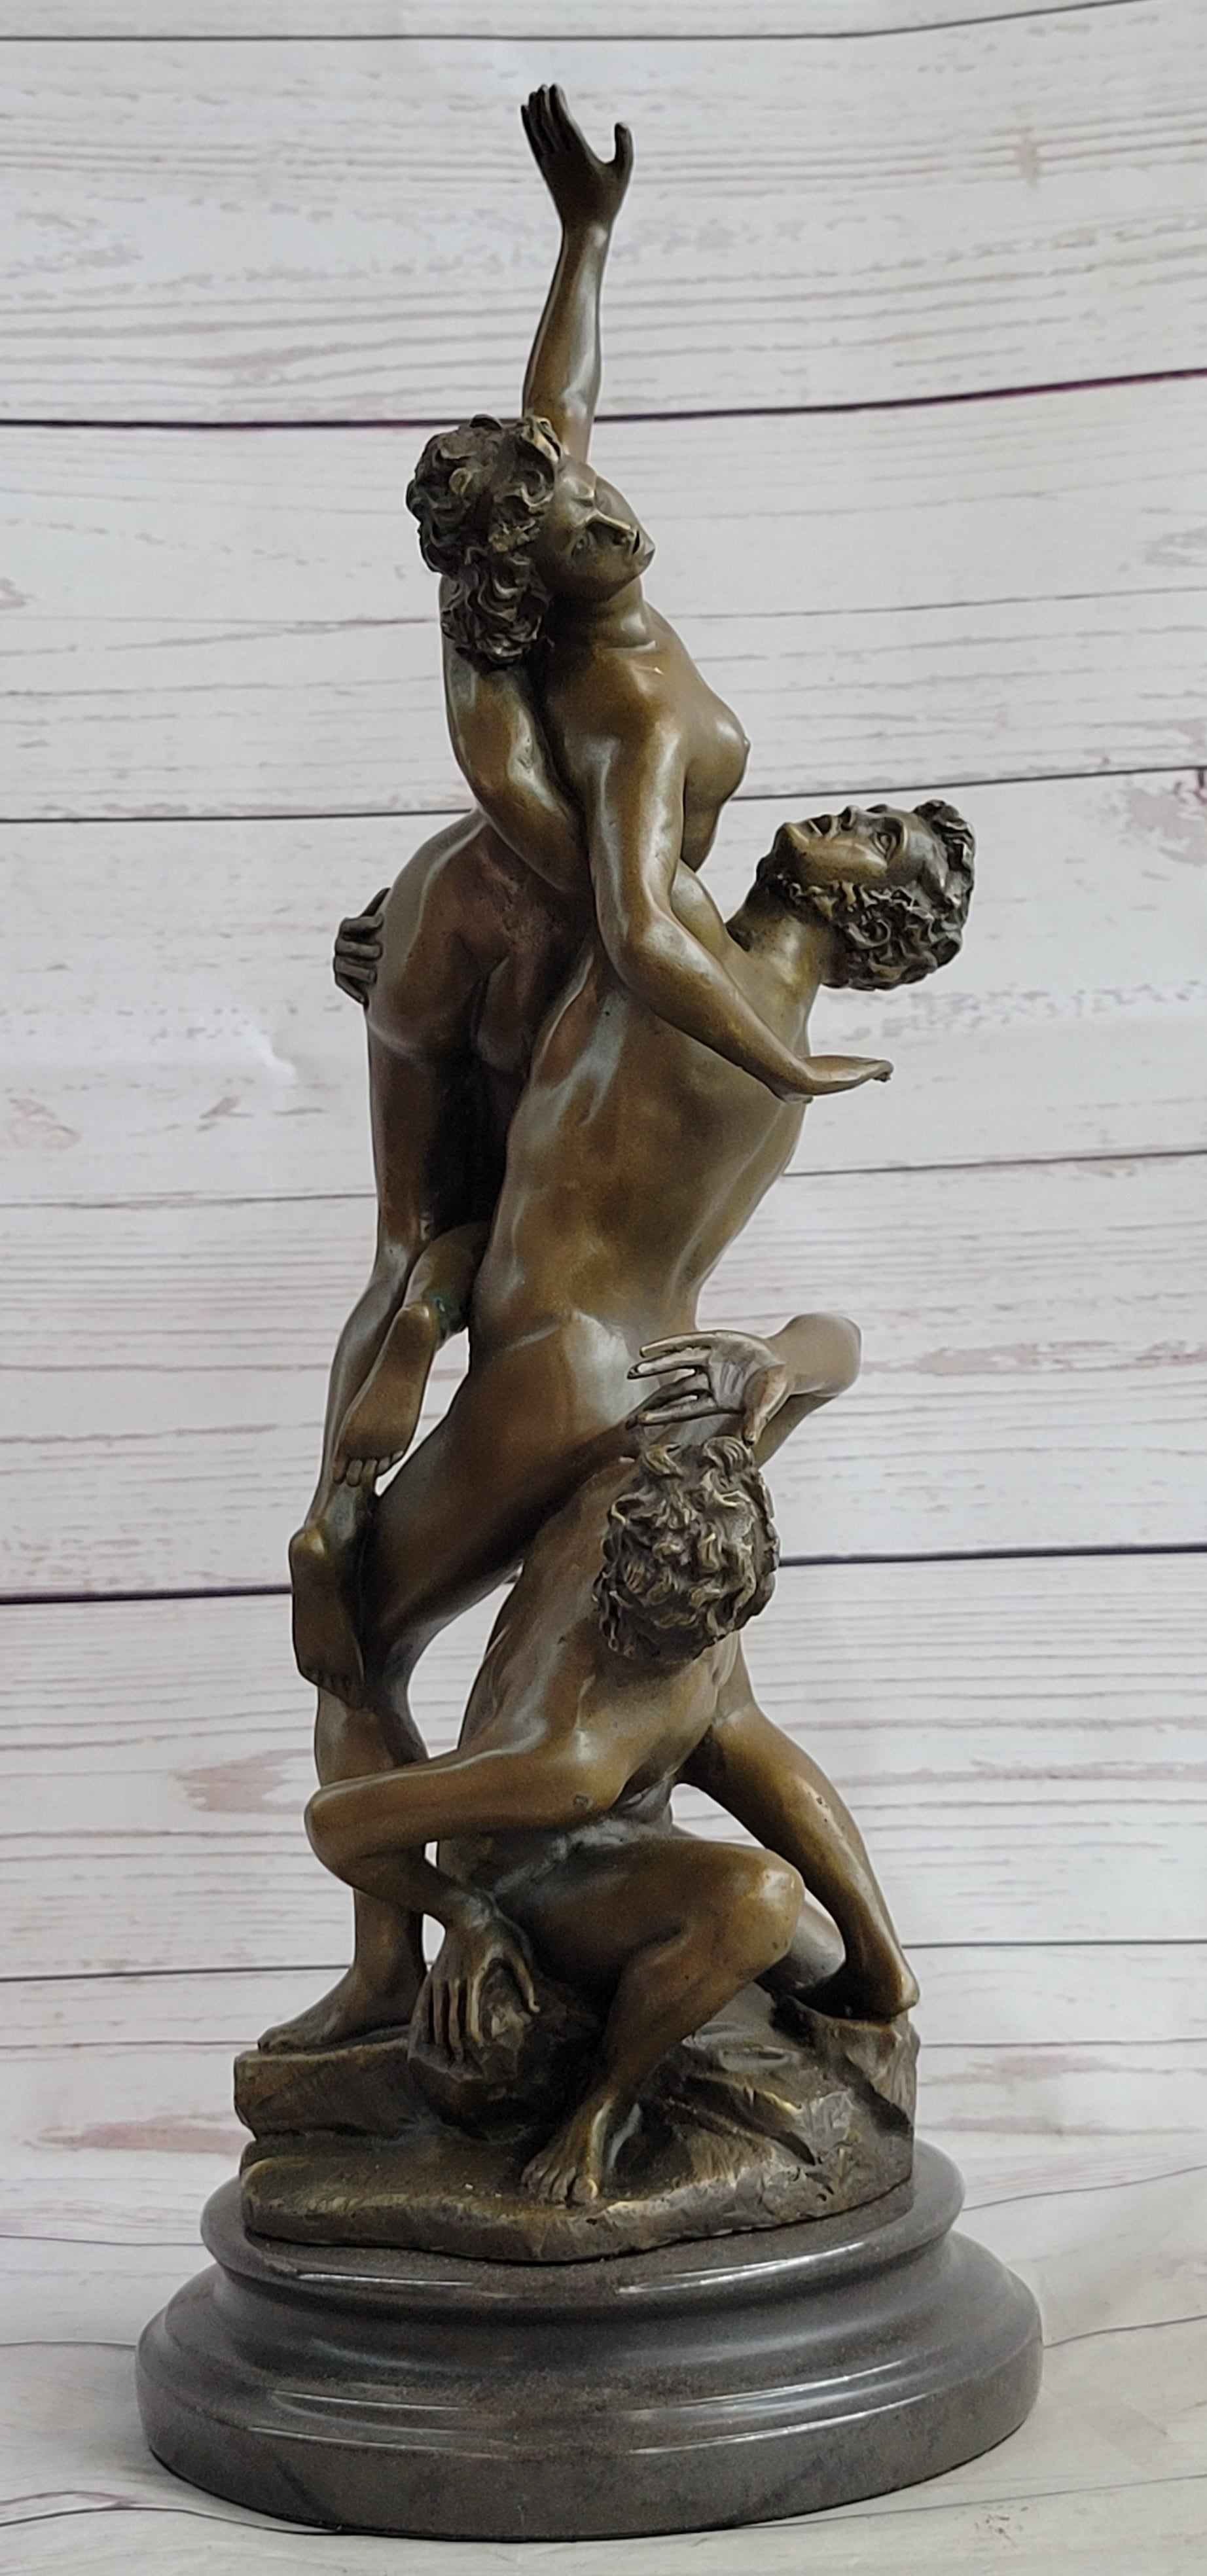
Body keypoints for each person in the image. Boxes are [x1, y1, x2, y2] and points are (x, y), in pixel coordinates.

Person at [289, 86, 890, 1706]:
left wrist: (586, 239)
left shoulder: (560, 560)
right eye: (566, 530)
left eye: (585, 495)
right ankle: (340, 1505)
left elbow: (555, 409)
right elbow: (630, 927)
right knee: (416, 1247)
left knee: (484, 1235)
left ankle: (393, 1523)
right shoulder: (595, 724)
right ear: (518, 576)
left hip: (507, 945)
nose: (607, 518)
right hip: (481, 945)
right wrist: (783, 1056)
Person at [266, 795, 972, 2054]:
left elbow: (539, 840)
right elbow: (544, 1089)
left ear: (871, 916)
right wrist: (781, 1358)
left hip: (555, 1379)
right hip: (663, 1398)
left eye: (877, 838)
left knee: (354, 1643)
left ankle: (384, 1969)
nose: (847, 817)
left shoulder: (673, 948)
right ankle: (876, 1958)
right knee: (718, 1711)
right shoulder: (769, 1044)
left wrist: (408, 966)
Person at [304, 1314, 918, 2208]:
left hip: (634, 1832)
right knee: (761, 1900)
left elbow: (842, 1346)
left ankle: (881, 1959)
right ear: (620, 1611)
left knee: (806, 1928)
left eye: (719, 1632)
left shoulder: (683, 1482)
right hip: (542, 1877)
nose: (699, 1657)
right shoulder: (568, 1758)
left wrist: (773, 1361)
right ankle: (602, 2110)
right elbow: (338, 1824)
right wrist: (466, 1914)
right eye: (671, 1656)